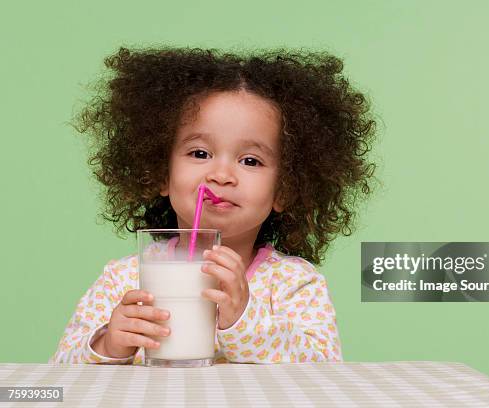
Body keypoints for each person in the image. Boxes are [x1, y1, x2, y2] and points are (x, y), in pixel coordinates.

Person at [51, 46, 377, 364]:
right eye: (199, 153)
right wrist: (108, 344)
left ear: (286, 189)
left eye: (250, 160)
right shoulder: (124, 279)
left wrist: (244, 319)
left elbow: (325, 371)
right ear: (160, 174)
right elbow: (60, 369)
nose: (221, 175)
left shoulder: (294, 284)